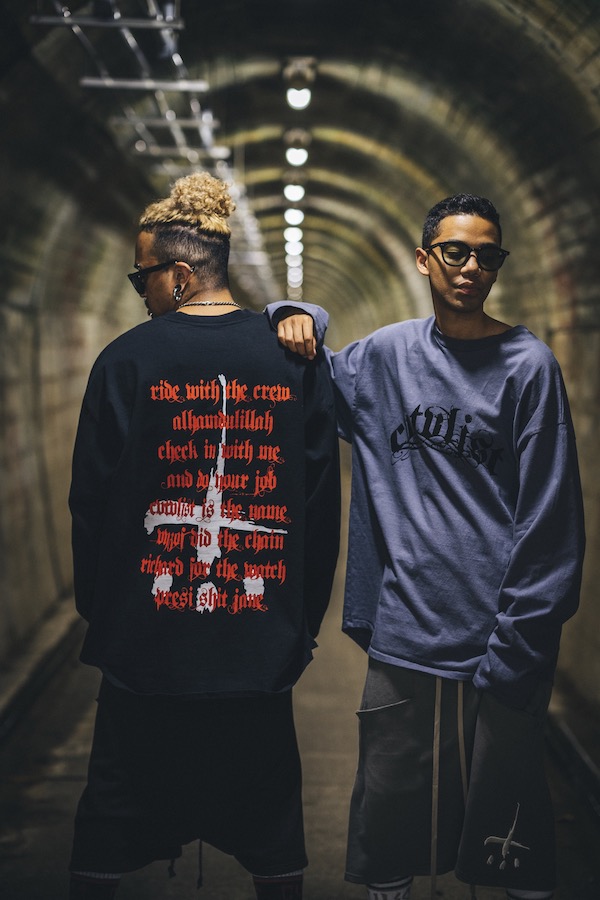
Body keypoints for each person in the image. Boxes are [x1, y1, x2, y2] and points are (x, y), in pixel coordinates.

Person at [269, 193, 585, 900]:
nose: (471, 267)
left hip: (498, 649)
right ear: (423, 259)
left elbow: (551, 524)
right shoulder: (386, 356)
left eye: (487, 255)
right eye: (455, 252)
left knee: (510, 849)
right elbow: (310, 374)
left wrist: (516, 652)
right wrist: (296, 313)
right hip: (403, 643)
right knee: (389, 842)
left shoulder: (528, 367)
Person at [68, 171, 340, 900]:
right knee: (271, 830)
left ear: (180, 275)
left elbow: (90, 503)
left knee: (110, 823)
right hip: (256, 646)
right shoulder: (293, 362)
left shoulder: (124, 361)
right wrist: (297, 625)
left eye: (144, 277)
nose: (140, 291)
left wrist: (104, 613)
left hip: (145, 649)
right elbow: (319, 505)